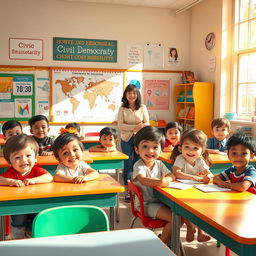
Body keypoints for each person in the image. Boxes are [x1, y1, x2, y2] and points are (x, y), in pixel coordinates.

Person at [0, 134, 53, 239]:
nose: (24, 160)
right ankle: (17, 238)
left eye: (28, 156)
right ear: (9, 162)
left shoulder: (36, 169)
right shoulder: (11, 172)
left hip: (36, 206)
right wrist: (11, 181)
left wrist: (34, 180)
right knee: (18, 218)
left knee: (37, 219)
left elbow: (49, 177)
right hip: (18, 208)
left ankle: (32, 234)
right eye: (17, 157)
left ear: (35, 158)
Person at [133, 126, 176, 244]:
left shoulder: (159, 163)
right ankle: (162, 244)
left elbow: (172, 175)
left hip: (161, 202)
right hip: (146, 204)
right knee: (174, 219)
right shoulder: (139, 165)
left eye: (155, 147)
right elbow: (142, 180)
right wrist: (160, 182)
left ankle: (168, 238)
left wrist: (167, 179)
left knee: (181, 215)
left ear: (161, 150)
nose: (150, 151)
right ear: (137, 149)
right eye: (145, 146)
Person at [170, 129, 213, 242]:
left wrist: (208, 176)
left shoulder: (200, 161)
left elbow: (208, 173)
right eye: (187, 147)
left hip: (195, 190)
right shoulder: (180, 159)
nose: (190, 151)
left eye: (195, 148)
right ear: (180, 148)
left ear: (202, 150)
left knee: (202, 208)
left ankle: (200, 232)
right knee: (187, 209)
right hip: (181, 191)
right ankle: (190, 227)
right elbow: (176, 173)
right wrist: (196, 178)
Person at [117, 83, 149, 201]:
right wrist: (135, 127)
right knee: (127, 163)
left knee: (137, 162)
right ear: (125, 94)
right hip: (126, 138)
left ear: (137, 94)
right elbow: (120, 125)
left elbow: (147, 123)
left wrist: (135, 127)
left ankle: (137, 187)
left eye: (134, 93)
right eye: (129, 93)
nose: (131, 95)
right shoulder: (122, 108)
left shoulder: (142, 107)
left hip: (139, 138)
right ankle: (128, 188)